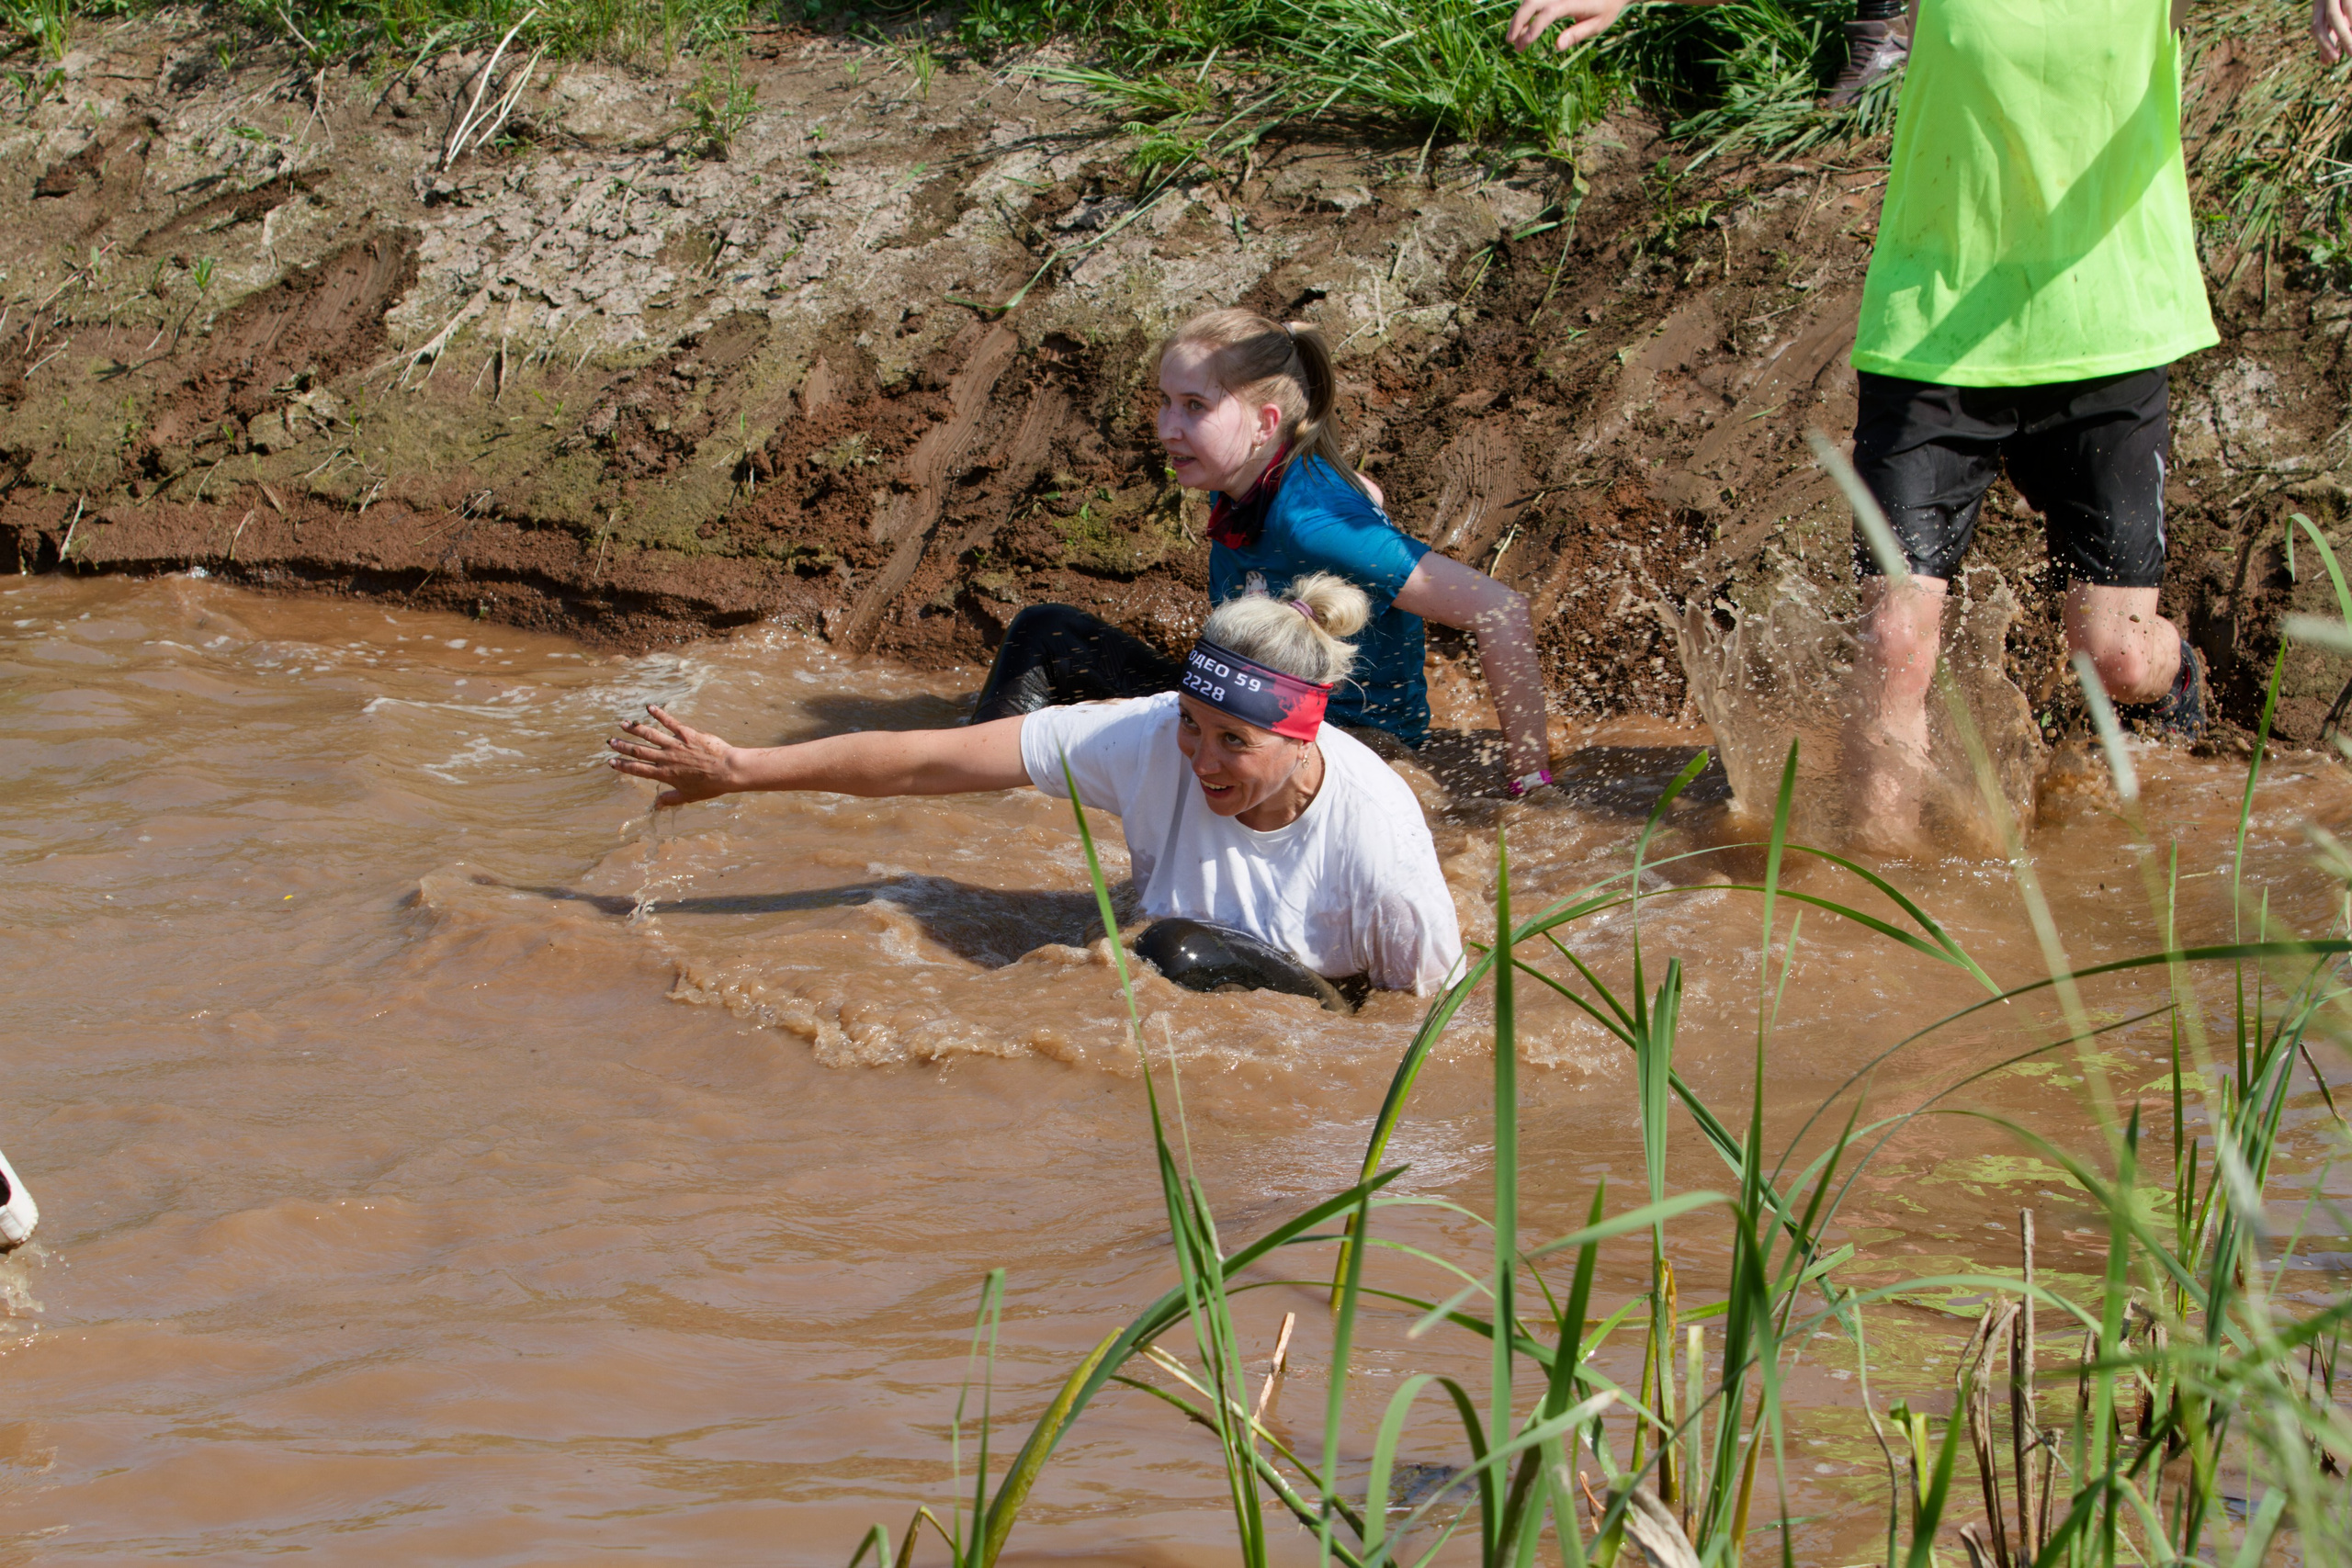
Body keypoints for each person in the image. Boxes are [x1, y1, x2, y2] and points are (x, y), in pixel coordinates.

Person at [1508, 0, 2352, 848]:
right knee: (1893, 639)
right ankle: (1883, 905)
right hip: (1933, 334)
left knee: (2118, 656)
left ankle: (2178, 686)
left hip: (2108, 332)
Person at [609, 574, 1465, 997]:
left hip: (1310, 996)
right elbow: (929, 761)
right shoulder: (1147, 735)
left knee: (1169, 947)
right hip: (1170, 963)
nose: (1199, 761)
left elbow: (1431, 1030)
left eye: (1233, 744)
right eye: (1191, 728)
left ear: (1302, 734)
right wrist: (741, 769)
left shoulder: (1378, 841)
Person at [969, 308, 1555, 799]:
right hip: (1244, 718)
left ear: (1264, 424)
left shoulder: (1314, 522)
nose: (1168, 427)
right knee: (1046, 633)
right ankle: (983, 801)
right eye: (1165, 402)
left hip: (1342, 747)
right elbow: (1361, 497)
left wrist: (1529, 780)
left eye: (1194, 406)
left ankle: (987, 785)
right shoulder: (1249, 484)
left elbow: (1500, 610)